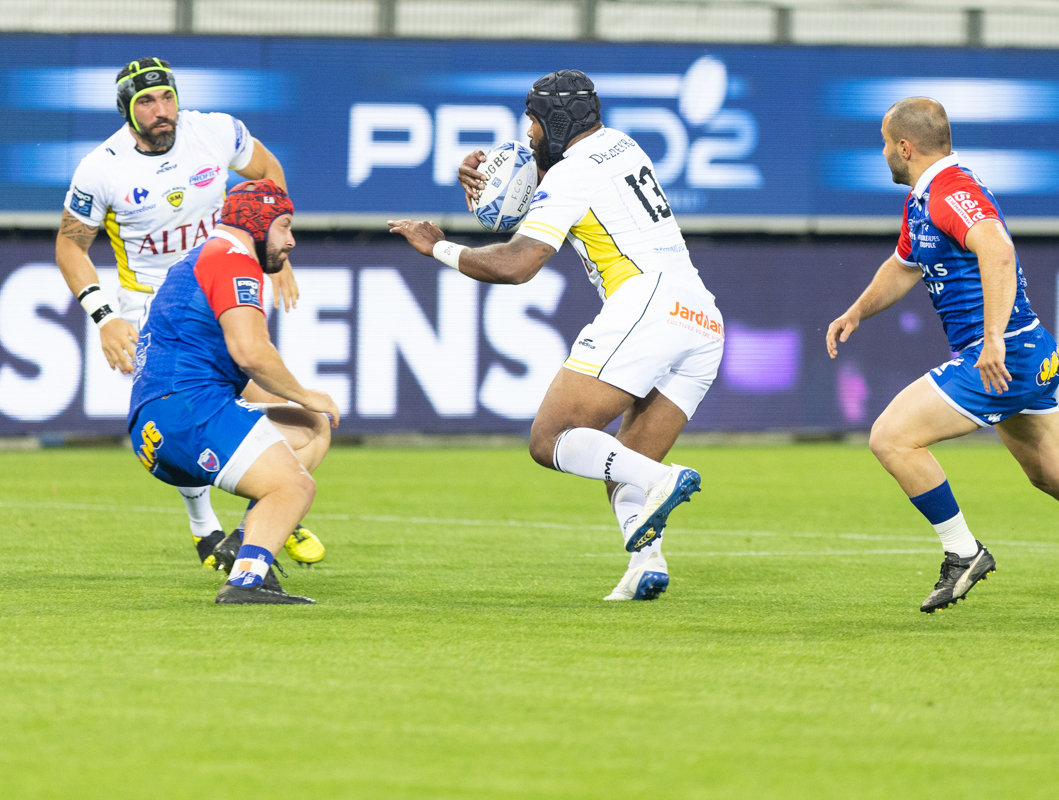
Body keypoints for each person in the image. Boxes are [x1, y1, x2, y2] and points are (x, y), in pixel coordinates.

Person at [390, 70, 724, 601]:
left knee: (551, 439)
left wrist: (438, 248)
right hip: (702, 319)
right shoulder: (621, 145)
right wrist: (488, 189)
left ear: (555, 120)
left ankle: (665, 480)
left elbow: (519, 264)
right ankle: (646, 565)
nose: (527, 133)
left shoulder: (573, 175)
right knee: (620, 463)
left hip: (647, 304)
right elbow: (543, 187)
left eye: (532, 121)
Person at [826, 97, 1059, 613]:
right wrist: (856, 311)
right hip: (1027, 354)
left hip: (1004, 355)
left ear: (905, 146)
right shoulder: (924, 198)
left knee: (892, 438)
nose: (883, 154)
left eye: (883, 143)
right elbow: (903, 265)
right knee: (1052, 472)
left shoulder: (949, 190)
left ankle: (963, 553)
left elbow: (998, 249)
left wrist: (992, 338)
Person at [56, 57, 325, 569]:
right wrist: (104, 317)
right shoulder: (101, 168)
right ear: (127, 111)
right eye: (147, 103)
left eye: (168, 97)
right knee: (189, 411)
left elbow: (268, 175)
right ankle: (211, 527)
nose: (162, 111)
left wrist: (275, 251)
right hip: (152, 307)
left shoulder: (217, 131)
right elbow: (70, 246)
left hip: (218, 289)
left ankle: (262, 511)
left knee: (282, 408)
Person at [128, 180, 338, 604]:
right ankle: (246, 582)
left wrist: (299, 407)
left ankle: (244, 540)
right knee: (294, 487)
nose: (291, 240)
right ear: (258, 224)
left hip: (159, 423)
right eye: (284, 226)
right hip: (188, 412)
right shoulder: (233, 259)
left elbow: (226, 366)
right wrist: (304, 394)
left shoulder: (204, 257)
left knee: (311, 428)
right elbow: (251, 353)